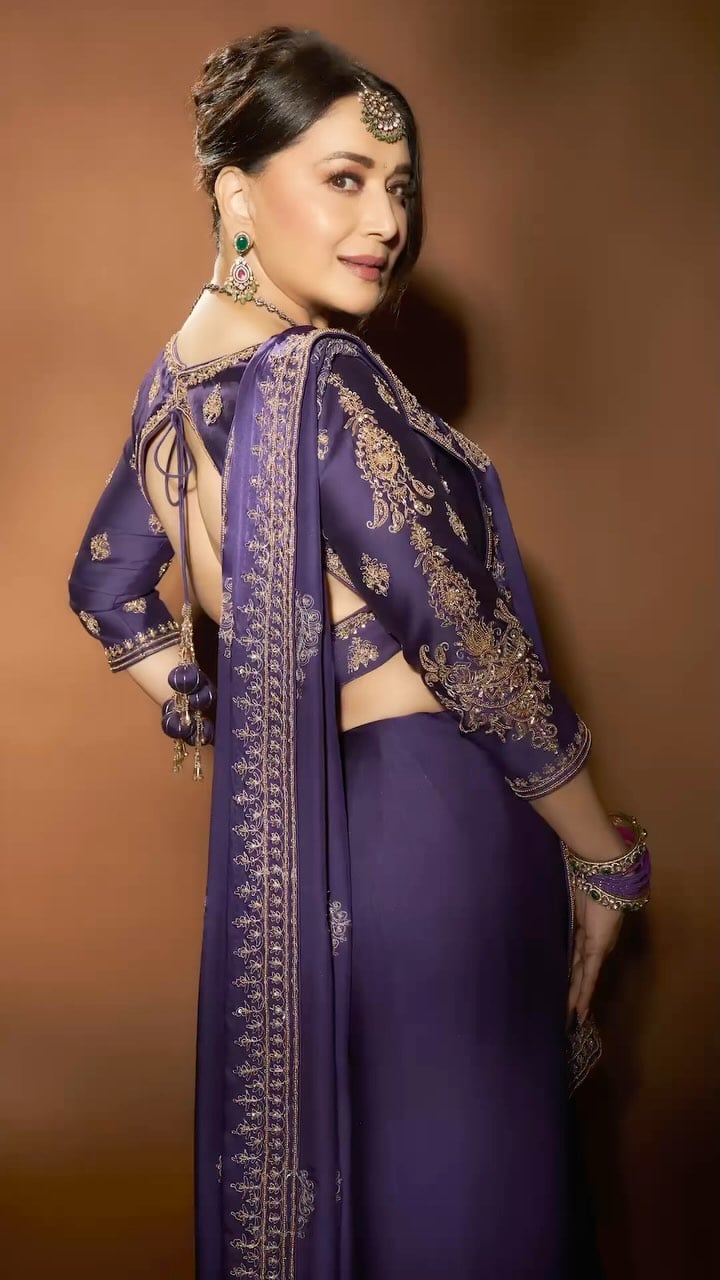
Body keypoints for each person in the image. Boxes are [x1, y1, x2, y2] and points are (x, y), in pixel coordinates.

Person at [67, 25, 651, 1280]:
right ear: (237, 192)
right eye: (344, 178)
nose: (385, 219)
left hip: (321, 842)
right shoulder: (322, 377)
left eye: (399, 186)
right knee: (466, 1203)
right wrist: (610, 861)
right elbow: (474, 652)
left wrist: (219, 698)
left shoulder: (173, 391)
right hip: (437, 837)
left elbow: (106, 586)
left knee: (380, 1190)